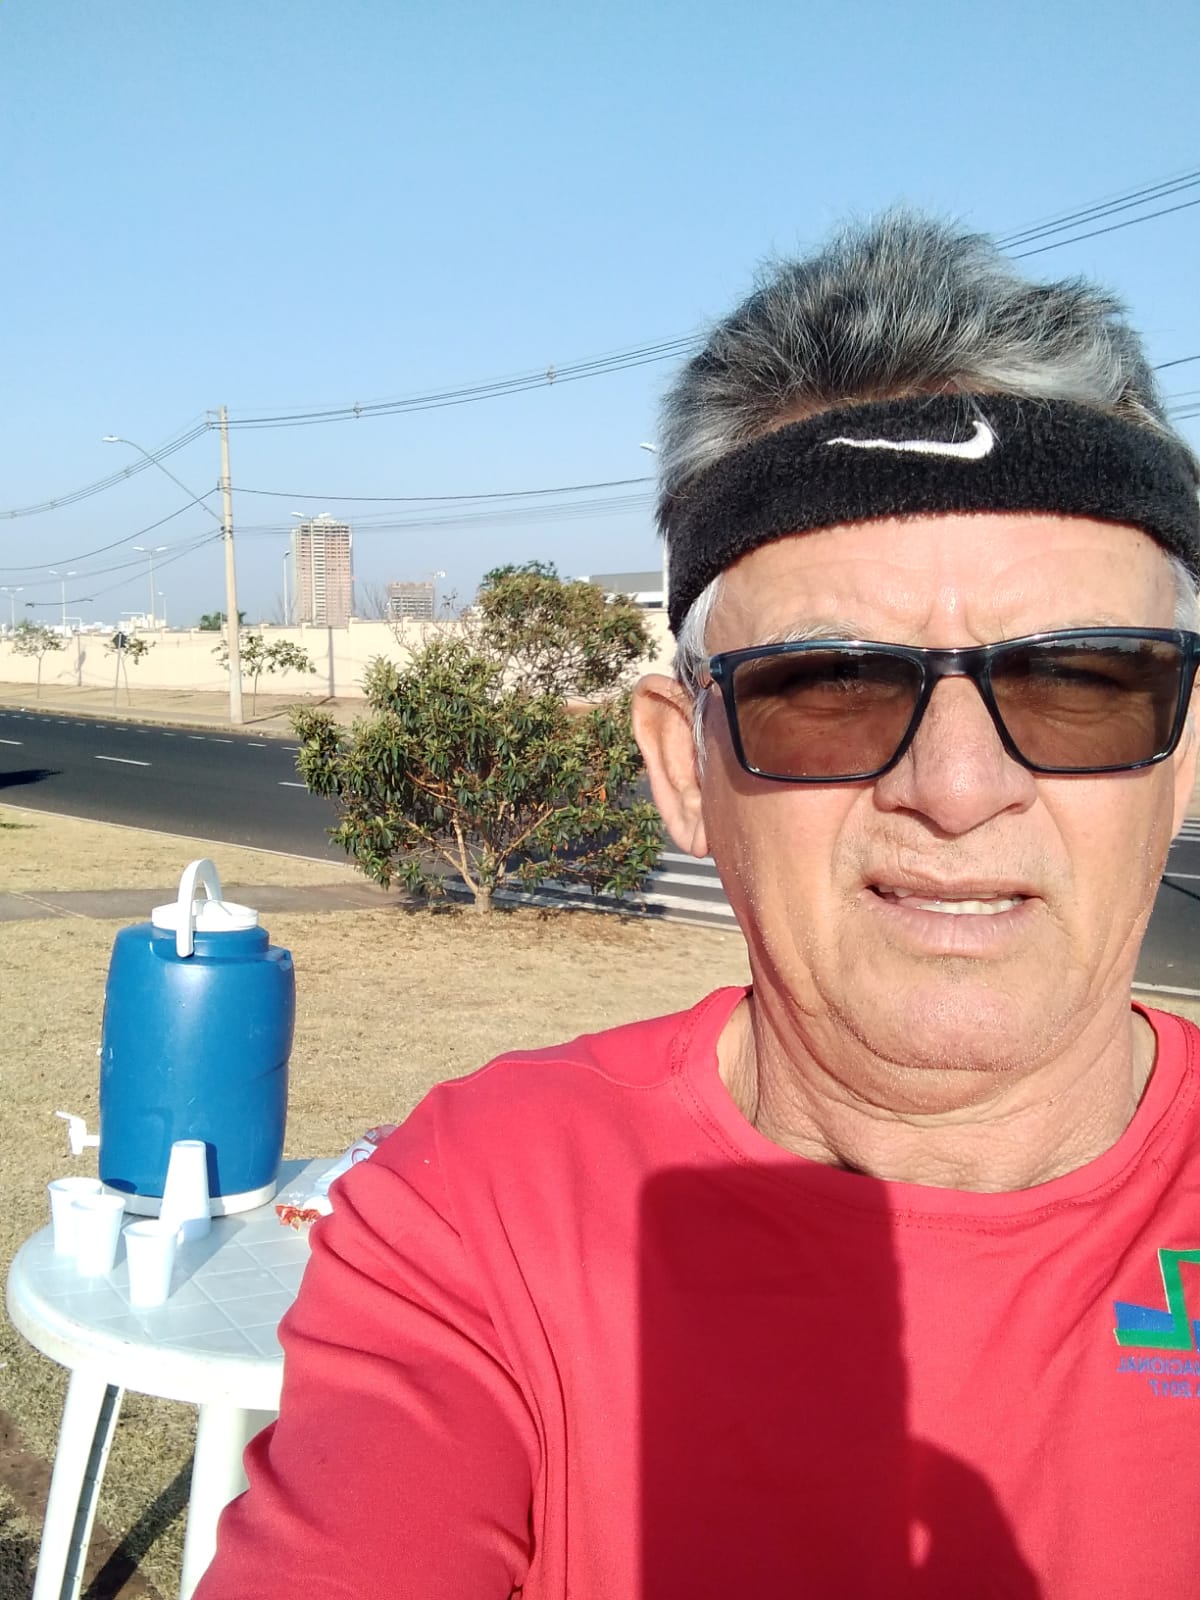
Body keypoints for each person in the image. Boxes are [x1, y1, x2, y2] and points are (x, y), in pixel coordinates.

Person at [197, 213, 1200, 1598]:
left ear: (1186, 750)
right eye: (829, 688)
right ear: (685, 767)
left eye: (1079, 683)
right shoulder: (482, 1216)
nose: (961, 789)